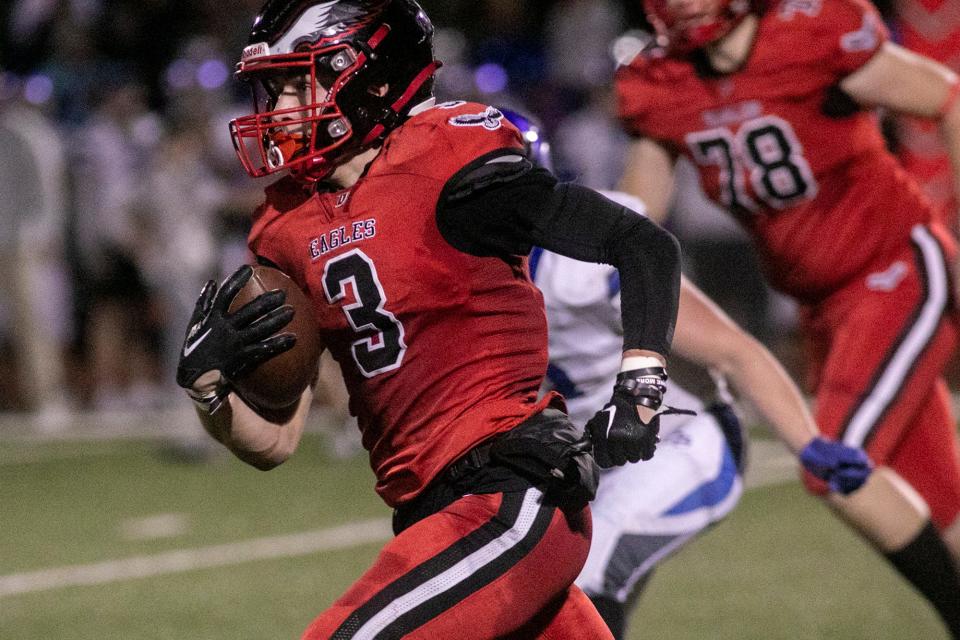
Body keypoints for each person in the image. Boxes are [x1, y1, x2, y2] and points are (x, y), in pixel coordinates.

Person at [175, 1, 685, 638]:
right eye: (271, 89)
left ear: (374, 78)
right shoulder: (284, 225)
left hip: (512, 493)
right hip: (431, 515)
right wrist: (209, 391)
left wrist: (640, 388)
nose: (277, 110)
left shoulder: (448, 161)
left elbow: (643, 245)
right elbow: (274, 442)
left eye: (296, 84)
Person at [615, 0, 960, 634]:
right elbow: (633, 225)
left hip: (896, 267)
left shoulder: (811, 33)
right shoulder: (661, 83)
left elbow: (948, 97)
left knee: (834, 457)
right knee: (938, 504)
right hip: (821, 306)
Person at [501, 108, 872, 638]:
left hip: (684, 437)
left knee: (593, 560)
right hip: (589, 455)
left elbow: (732, 350)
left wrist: (807, 444)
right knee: (518, 582)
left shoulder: (581, 264)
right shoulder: (463, 268)